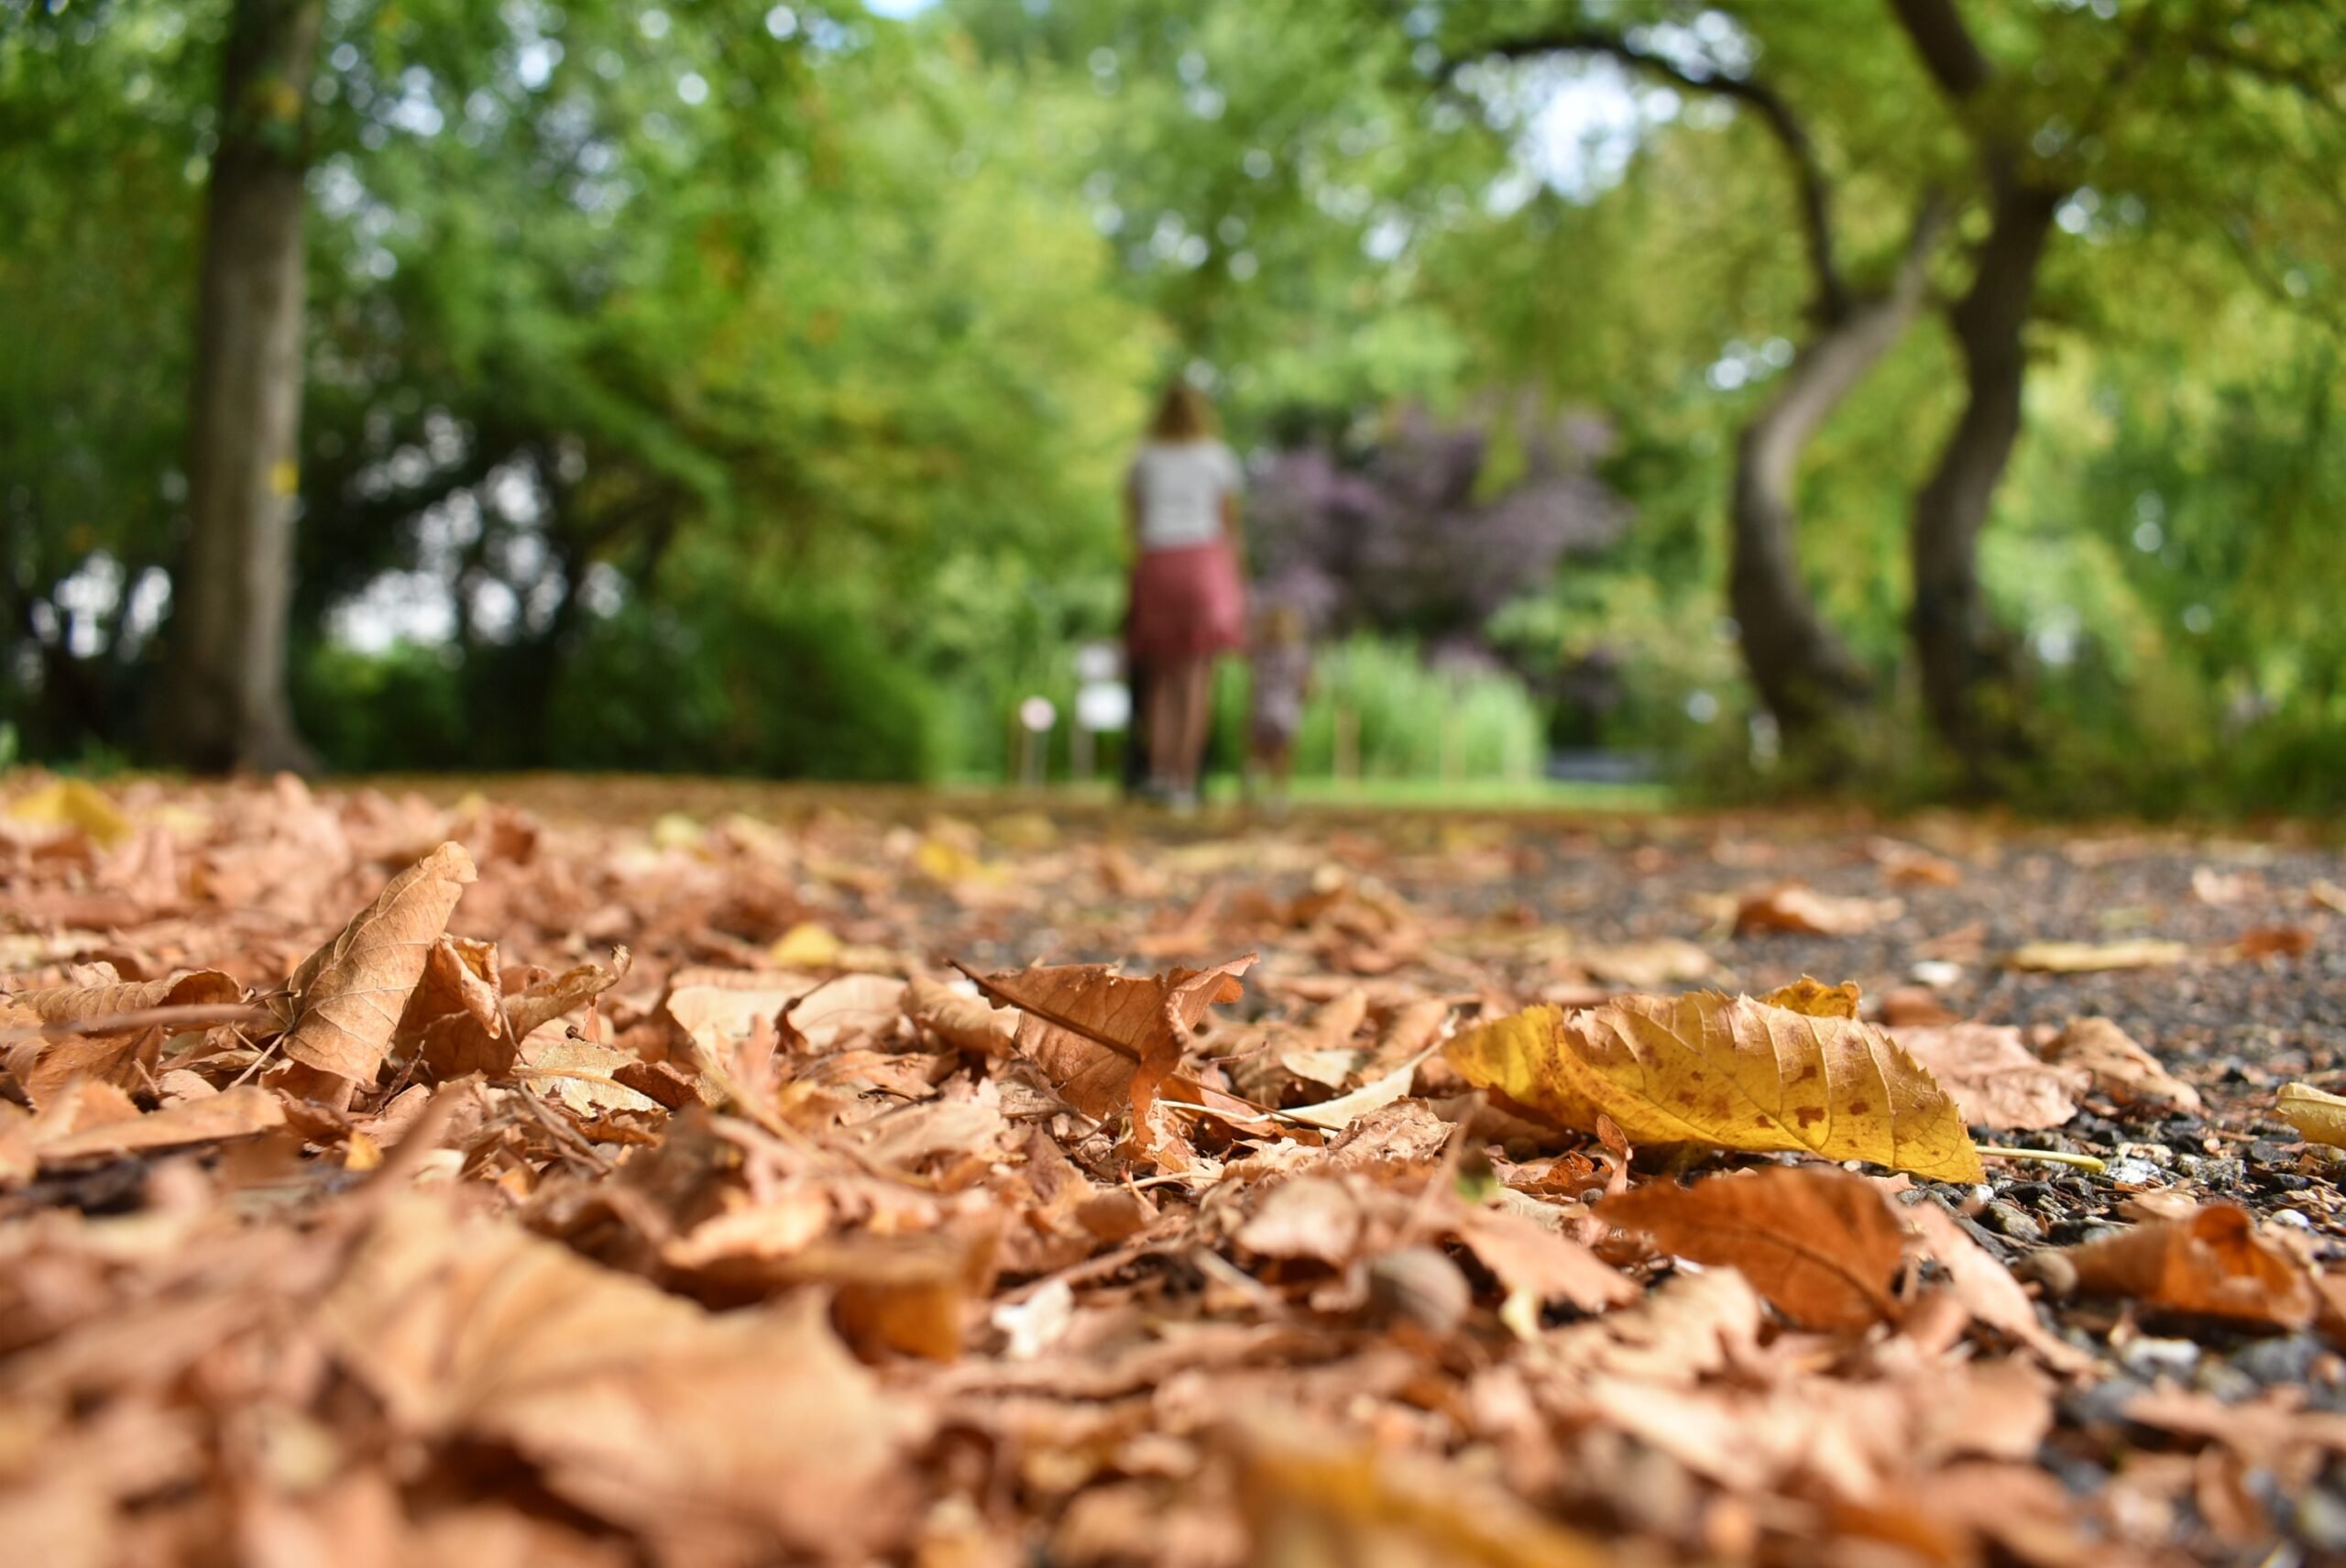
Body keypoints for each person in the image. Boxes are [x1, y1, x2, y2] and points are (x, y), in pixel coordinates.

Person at [1124, 378, 1245, 809]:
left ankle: (1158, 772)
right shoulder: (1217, 458)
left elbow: (1132, 524)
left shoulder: (1142, 458)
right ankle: (1184, 781)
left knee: (1161, 675)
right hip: (1202, 565)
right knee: (1195, 678)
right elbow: (1229, 527)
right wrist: (1236, 587)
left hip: (1157, 563)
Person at [1246, 602, 1311, 813]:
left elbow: (1252, 681)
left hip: (1261, 710)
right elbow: (1306, 685)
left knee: (1260, 750)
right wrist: (1305, 697)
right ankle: (1278, 795)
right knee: (1282, 756)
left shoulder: (1260, 653)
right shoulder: (1298, 653)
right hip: (1285, 712)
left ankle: (1257, 772)